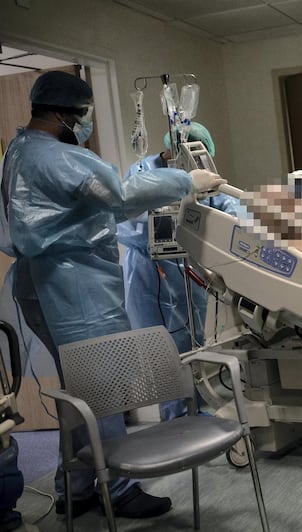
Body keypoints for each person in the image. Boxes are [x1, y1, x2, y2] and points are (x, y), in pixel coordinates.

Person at [0, 71, 225, 520]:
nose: (85, 123)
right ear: (66, 114)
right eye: (83, 115)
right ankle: (116, 489)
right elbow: (119, 195)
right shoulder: (59, 157)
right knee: (103, 387)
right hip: (76, 285)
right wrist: (185, 181)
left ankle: (77, 486)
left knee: (77, 389)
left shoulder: (18, 150)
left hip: (42, 282)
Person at [117, 123, 238, 420]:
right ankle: (177, 421)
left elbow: (226, 207)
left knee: (199, 346)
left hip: (193, 274)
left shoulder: (203, 174)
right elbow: (125, 223)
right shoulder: (143, 174)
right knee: (162, 355)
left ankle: (205, 413)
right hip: (150, 275)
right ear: (172, 149)